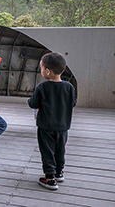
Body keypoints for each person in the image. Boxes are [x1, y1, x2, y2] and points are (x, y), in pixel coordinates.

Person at [28, 52, 76, 191]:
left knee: (47, 151)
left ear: (47, 71)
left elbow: (33, 103)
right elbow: (72, 103)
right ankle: (59, 173)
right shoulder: (69, 87)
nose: (41, 71)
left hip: (45, 127)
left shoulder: (42, 88)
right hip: (63, 126)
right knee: (60, 150)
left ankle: (50, 178)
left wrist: (29, 101)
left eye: (41, 68)